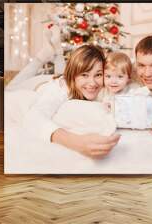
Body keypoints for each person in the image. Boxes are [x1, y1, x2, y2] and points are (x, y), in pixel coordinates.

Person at [7, 26, 120, 160]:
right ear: (73, 76)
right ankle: (41, 57)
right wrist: (76, 143)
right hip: (36, 84)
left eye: (98, 74)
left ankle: (58, 53)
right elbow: (34, 118)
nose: (92, 83)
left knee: (61, 73)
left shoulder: (103, 83)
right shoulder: (60, 90)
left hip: (59, 77)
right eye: (84, 75)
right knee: (10, 88)